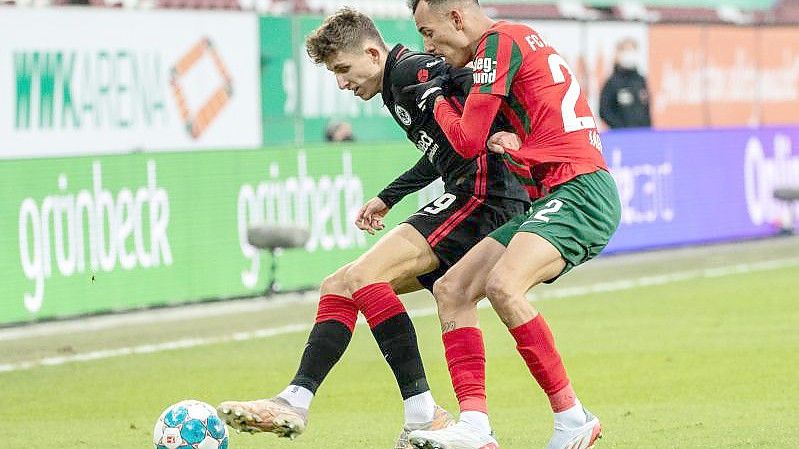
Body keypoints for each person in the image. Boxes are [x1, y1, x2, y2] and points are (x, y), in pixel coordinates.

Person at [216, 8, 530, 449]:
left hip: (485, 196)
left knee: (365, 275)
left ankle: (424, 413)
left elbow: (477, 84)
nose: (342, 83)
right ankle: (296, 398)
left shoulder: (409, 70)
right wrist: (390, 195)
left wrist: (517, 134)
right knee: (340, 285)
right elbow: (438, 149)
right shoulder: (398, 86)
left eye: (343, 69)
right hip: (473, 194)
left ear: (371, 52)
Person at [401, 1, 622, 448]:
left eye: (429, 32)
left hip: (581, 190)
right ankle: (476, 427)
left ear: (457, 18)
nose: (429, 46)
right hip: (556, 191)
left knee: (503, 285)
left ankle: (573, 418)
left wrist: (435, 98)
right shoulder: (517, 41)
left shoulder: (499, 43)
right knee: (452, 289)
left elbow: (465, 141)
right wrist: (521, 144)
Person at [599, 38, 651, 129]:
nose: (629, 55)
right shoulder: (612, 82)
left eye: (632, 50)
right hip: (621, 135)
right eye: (626, 50)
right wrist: (619, 127)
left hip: (642, 134)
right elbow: (604, 111)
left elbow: (647, 111)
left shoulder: (640, 80)